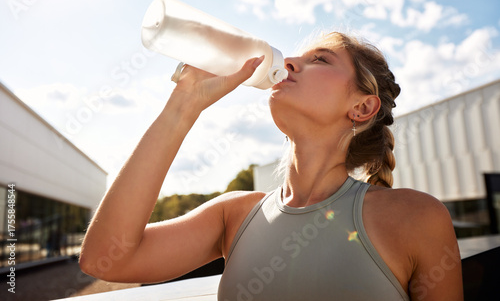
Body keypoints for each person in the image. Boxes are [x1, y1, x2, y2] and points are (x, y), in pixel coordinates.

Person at [79, 32, 463, 300]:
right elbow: (104, 259)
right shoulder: (233, 215)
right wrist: (184, 105)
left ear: (362, 107)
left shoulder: (416, 218)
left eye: (319, 60)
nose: (288, 62)